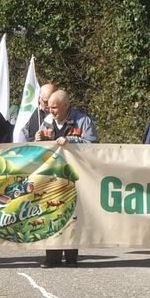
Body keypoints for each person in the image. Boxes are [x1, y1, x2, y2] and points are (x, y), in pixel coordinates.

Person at [38, 90, 98, 268]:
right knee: (51, 213)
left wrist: (71, 140)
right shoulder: (47, 120)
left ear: (66, 106)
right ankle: (52, 258)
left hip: (75, 176)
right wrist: (38, 138)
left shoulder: (83, 120)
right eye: (49, 108)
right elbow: (39, 144)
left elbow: (93, 145)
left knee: (73, 214)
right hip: (52, 176)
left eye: (55, 108)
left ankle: (72, 257)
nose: (51, 111)